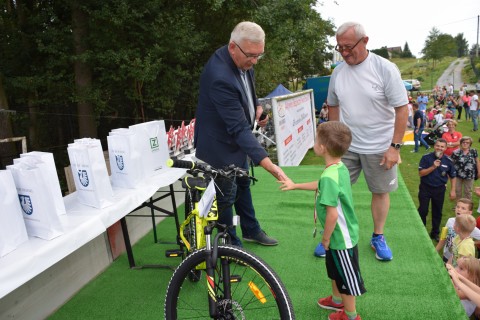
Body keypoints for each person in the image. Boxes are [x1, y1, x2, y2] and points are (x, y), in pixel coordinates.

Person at [194, 21, 289, 247]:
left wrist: (255, 109)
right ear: (232, 47)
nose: (255, 61)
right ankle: (230, 245)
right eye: (251, 56)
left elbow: (246, 91)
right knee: (226, 197)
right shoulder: (219, 76)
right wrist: (269, 164)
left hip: (237, 142)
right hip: (219, 147)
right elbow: (237, 128)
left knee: (243, 185)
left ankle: (251, 229)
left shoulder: (243, 59)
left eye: (259, 56)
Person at [327, 21, 409, 261]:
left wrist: (395, 147)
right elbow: (333, 105)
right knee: (335, 190)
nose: (343, 52)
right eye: (339, 47)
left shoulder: (385, 68)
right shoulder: (338, 71)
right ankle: (332, 235)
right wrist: (334, 142)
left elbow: (402, 109)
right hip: (347, 147)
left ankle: (378, 236)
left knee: (380, 191)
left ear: (365, 41)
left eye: (348, 46)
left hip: (380, 147)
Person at [279, 121, 366, 320]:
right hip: (338, 237)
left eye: (317, 139)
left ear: (322, 148)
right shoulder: (338, 168)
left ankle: (351, 315)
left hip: (340, 239)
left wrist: (325, 240)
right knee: (334, 271)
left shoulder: (330, 175)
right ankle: (336, 302)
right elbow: (320, 185)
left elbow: (333, 214)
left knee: (346, 279)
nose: (315, 142)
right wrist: (295, 185)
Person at [418, 138, 456, 241]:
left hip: (439, 190)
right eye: (437, 146)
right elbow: (421, 173)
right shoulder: (426, 158)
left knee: (437, 212)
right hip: (425, 188)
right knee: (423, 210)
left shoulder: (449, 161)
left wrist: (453, 190)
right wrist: (433, 167)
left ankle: (435, 233)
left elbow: (452, 176)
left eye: (442, 146)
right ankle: (421, 231)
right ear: (434, 146)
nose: (439, 148)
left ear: (446, 148)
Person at [435, 198, 480, 263]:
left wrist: (473, 243)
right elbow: (443, 237)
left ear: (470, 212)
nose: (459, 209)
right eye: (457, 206)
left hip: (459, 261)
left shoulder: (470, 227)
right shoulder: (450, 220)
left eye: (463, 208)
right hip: (446, 255)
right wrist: (436, 250)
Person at [451, 136, 479, 201]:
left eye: (467, 143)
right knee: (457, 191)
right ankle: (458, 205)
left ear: (470, 144)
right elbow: (451, 164)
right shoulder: (455, 152)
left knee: (468, 191)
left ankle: (468, 206)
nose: (465, 144)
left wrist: (479, 171)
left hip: (470, 174)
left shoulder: (473, 151)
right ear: (461, 143)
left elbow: (477, 161)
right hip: (457, 175)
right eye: (463, 142)